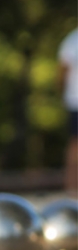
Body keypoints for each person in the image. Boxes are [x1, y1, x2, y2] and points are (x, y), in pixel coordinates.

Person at [58, 27, 78, 197]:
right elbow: (63, 70)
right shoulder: (73, 40)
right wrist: (62, 94)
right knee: (75, 146)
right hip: (76, 100)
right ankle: (71, 189)